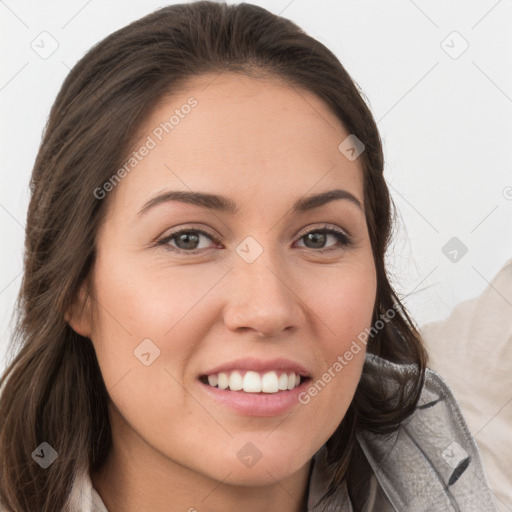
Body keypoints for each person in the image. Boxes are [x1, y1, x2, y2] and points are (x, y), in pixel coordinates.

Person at [0, 2, 498, 511]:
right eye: (188, 239)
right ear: (75, 287)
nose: (267, 310)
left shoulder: (471, 449)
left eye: (319, 238)